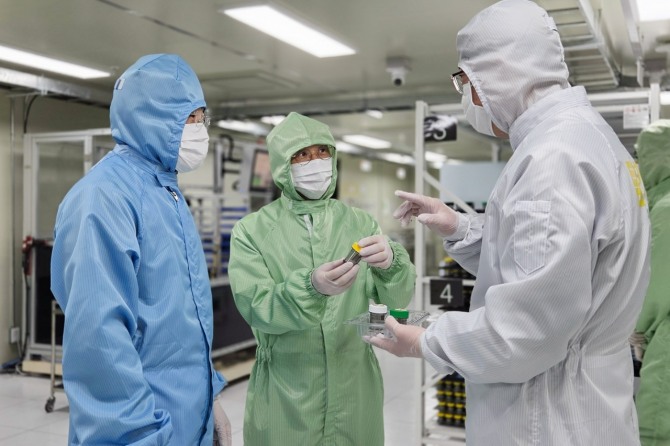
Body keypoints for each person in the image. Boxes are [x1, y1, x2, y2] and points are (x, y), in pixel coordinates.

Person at [369, 1, 651, 445]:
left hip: (547, 415)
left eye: (466, 82)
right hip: (587, 404)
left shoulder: (552, 160)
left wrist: (425, 339)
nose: (468, 98)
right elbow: (553, 266)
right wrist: (459, 227)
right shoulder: (587, 138)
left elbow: (523, 333)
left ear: (499, 74)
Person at [50, 54, 229, 445]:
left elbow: (181, 323)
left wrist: (209, 398)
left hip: (186, 421)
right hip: (142, 431)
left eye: (202, 117)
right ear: (152, 116)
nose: (199, 129)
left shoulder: (166, 192)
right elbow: (100, 345)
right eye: (189, 117)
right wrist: (140, 436)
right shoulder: (104, 197)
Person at [228, 111, 416, 445]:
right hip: (287, 391)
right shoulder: (252, 231)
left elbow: (394, 303)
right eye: (301, 154)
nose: (315, 162)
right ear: (283, 165)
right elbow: (257, 307)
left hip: (355, 388)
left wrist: (391, 266)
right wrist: (310, 288)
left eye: (322, 151)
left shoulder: (360, 223)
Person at [629, 119, 670, 445]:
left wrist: (638, 327)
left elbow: (660, 283)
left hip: (667, 337)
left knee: (656, 429)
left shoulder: (666, 207)